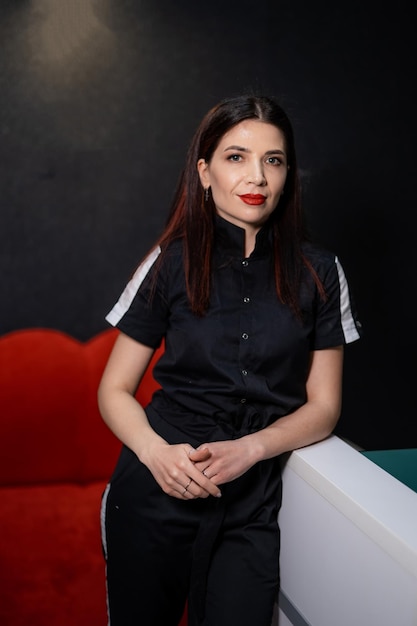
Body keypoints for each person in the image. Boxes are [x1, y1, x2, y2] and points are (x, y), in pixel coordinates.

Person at [98, 94, 362, 626]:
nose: (257, 176)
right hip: (154, 489)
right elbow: (114, 390)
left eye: (274, 159)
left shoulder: (321, 271)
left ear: (288, 174)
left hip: (251, 503)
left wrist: (251, 448)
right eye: (236, 157)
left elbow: (325, 407)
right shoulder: (168, 260)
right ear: (204, 171)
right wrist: (156, 453)